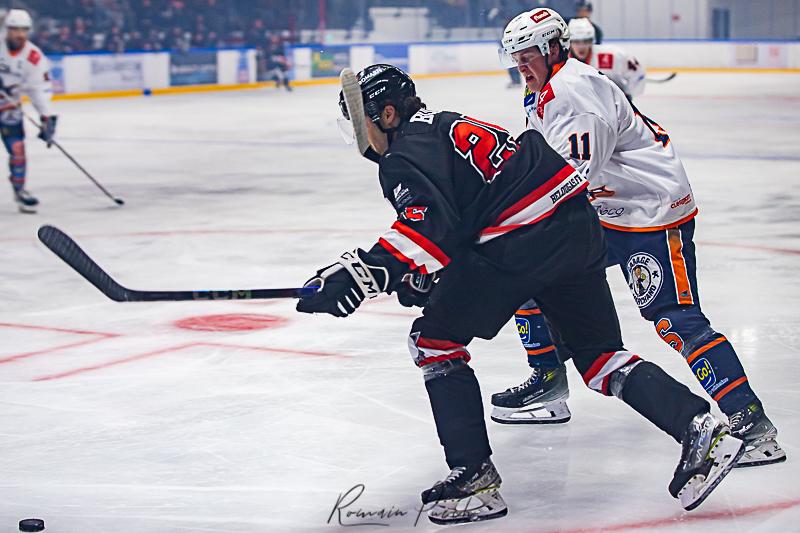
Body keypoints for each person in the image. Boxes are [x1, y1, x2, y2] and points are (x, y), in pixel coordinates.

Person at [296, 63, 745, 523]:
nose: (357, 133)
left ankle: (474, 479)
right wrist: (419, 273)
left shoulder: (405, 153)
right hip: (576, 226)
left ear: (387, 114)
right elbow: (462, 217)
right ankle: (700, 429)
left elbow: (425, 227)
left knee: (434, 343)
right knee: (598, 355)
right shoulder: (447, 124)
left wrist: (362, 273)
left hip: (521, 241)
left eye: (360, 120)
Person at [492, 7, 785, 469]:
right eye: (515, 57)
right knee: (530, 275)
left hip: (650, 212)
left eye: (528, 55)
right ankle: (549, 382)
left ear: (553, 49)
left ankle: (751, 425)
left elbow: (568, 181)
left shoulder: (574, 94)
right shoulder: (544, 90)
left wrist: (507, 218)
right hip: (608, 211)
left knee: (673, 319)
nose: (520, 66)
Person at [0, 9, 56, 213]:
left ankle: (20, 190)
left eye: (23, 30)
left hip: (9, 107)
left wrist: (46, 118)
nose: (19, 35)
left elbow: (38, 89)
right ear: (7, 30)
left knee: (17, 150)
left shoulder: (33, 57)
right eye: (15, 30)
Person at [568, 17, 645, 100]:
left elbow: (638, 74)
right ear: (569, 42)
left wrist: (628, 96)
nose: (581, 46)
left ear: (592, 40)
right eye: (576, 41)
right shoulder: (561, 62)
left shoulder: (612, 55)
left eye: (586, 41)